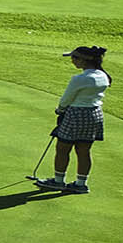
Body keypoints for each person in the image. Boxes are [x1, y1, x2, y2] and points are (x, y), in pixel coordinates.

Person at [39, 46, 110, 194]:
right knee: (84, 150)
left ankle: (58, 181)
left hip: (76, 114)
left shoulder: (80, 79)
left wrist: (60, 110)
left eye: (75, 58)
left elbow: (67, 98)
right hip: (95, 115)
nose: (72, 61)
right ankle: (81, 184)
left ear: (85, 60)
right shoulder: (103, 76)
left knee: (62, 148)